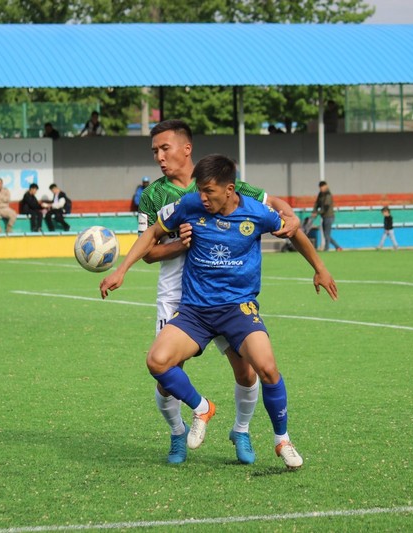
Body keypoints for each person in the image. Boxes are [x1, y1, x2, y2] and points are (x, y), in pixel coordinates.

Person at [101, 154, 338, 469]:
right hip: (195, 310)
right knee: (157, 361)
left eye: (209, 191)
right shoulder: (190, 205)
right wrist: (121, 270)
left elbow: (294, 232)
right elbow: (152, 234)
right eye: (200, 189)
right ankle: (202, 408)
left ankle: (282, 440)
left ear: (229, 189)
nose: (202, 197)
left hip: (238, 309)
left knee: (266, 369)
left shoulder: (258, 214)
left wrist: (320, 268)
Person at [136, 119, 301, 465]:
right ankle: (178, 432)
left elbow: (275, 204)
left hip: (227, 292)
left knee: (247, 371)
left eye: (164, 148)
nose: (159, 157)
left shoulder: (221, 180)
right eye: (154, 151)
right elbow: (148, 251)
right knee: (166, 375)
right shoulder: (152, 196)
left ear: (186, 148)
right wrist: (179, 245)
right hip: (177, 293)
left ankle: (241, 430)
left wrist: (293, 219)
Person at [311, 181, 343, 251]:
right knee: (326, 235)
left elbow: (326, 207)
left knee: (326, 234)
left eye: (322, 187)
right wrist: (314, 211)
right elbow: (317, 204)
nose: (321, 189)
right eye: (320, 187)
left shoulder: (328, 195)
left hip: (329, 217)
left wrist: (317, 213)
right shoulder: (320, 194)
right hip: (324, 216)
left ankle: (327, 248)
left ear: (326, 186)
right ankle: (337, 247)